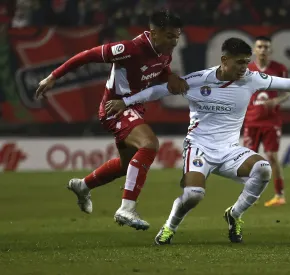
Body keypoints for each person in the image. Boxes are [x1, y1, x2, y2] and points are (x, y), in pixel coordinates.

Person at [105, 38, 290, 244]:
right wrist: (125, 102)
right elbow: (158, 91)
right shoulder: (197, 80)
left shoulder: (252, 79)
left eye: (247, 62)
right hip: (199, 146)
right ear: (224, 60)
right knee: (193, 195)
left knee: (263, 168)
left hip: (229, 150)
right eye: (240, 63)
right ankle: (169, 227)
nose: (245, 67)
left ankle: (234, 215)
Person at [35, 10, 189, 231]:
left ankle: (82, 185)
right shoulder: (129, 49)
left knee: (127, 165)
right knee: (150, 144)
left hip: (134, 108)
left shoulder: (165, 51)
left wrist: (170, 76)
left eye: (177, 36)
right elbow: (87, 55)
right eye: (170, 36)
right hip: (114, 108)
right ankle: (126, 208)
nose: (174, 41)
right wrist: (53, 77)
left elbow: (160, 68)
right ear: (154, 34)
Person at [245, 36, 289, 207]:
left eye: (266, 47)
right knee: (249, 160)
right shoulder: (247, 70)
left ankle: (279, 195)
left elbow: (287, 93)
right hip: (252, 120)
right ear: (255, 50)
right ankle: (251, 195)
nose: (263, 50)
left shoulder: (279, 69)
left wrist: (276, 101)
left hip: (271, 121)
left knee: (272, 157)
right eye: (260, 47)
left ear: (270, 51)